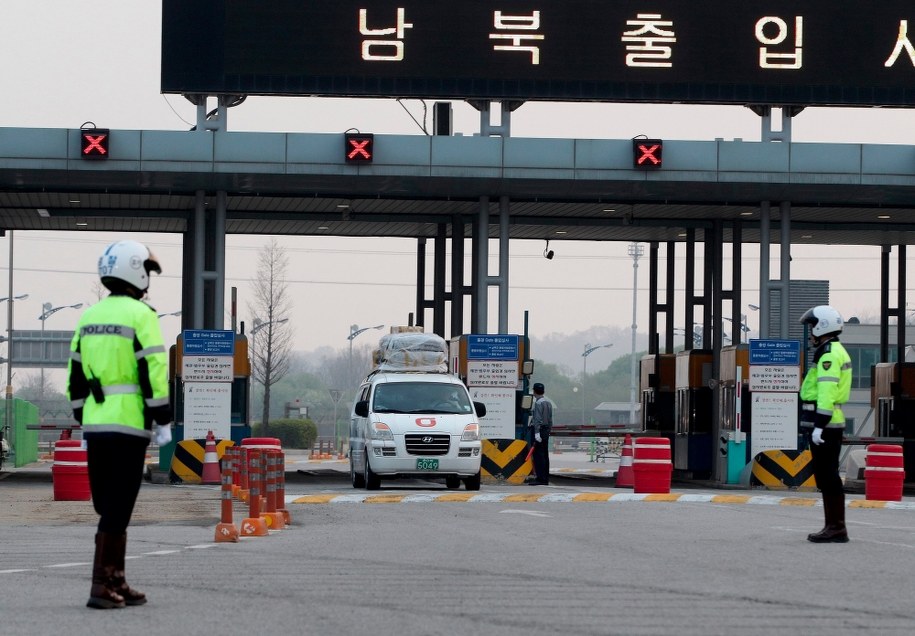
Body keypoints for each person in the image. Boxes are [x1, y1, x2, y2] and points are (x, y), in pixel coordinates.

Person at [67, 239, 172, 608]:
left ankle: (117, 579)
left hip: (96, 426)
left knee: (107, 502)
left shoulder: (88, 316)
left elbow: (75, 373)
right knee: (119, 504)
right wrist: (162, 416)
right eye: (147, 272)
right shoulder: (141, 315)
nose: (149, 280)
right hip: (129, 426)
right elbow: (154, 368)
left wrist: (82, 414)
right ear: (135, 271)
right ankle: (102, 585)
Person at [799, 305, 852, 543]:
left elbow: (827, 392)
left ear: (822, 326)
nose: (810, 332)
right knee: (825, 476)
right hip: (826, 423)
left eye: (812, 327)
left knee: (828, 476)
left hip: (827, 425)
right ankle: (833, 526)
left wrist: (819, 424)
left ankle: (836, 528)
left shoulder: (829, 354)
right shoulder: (830, 350)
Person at [528, 382, 553, 485]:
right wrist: (548, 431)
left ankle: (540, 478)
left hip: (539, 430)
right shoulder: (548, 403)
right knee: (545, 455)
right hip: (546, 430)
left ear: (534, 392)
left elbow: (537, 420)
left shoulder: (538, 403)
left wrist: (537, 434)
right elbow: (551, 420)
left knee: (538, 455)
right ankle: (545, 478)